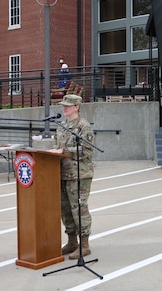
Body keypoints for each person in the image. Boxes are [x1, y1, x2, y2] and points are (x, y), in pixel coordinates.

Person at [48, 94, 95, 259]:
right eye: (63, 105)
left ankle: (85, 245)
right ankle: (72, 241)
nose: (64, 107)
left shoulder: (84, 127)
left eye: (68, 105)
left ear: (77, 107)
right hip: (62, 174)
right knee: (65, 209)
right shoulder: (62, 126)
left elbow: (87, 151)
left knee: (79, 209)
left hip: (79, 175)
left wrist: (64, 152)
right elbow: (57, 146)